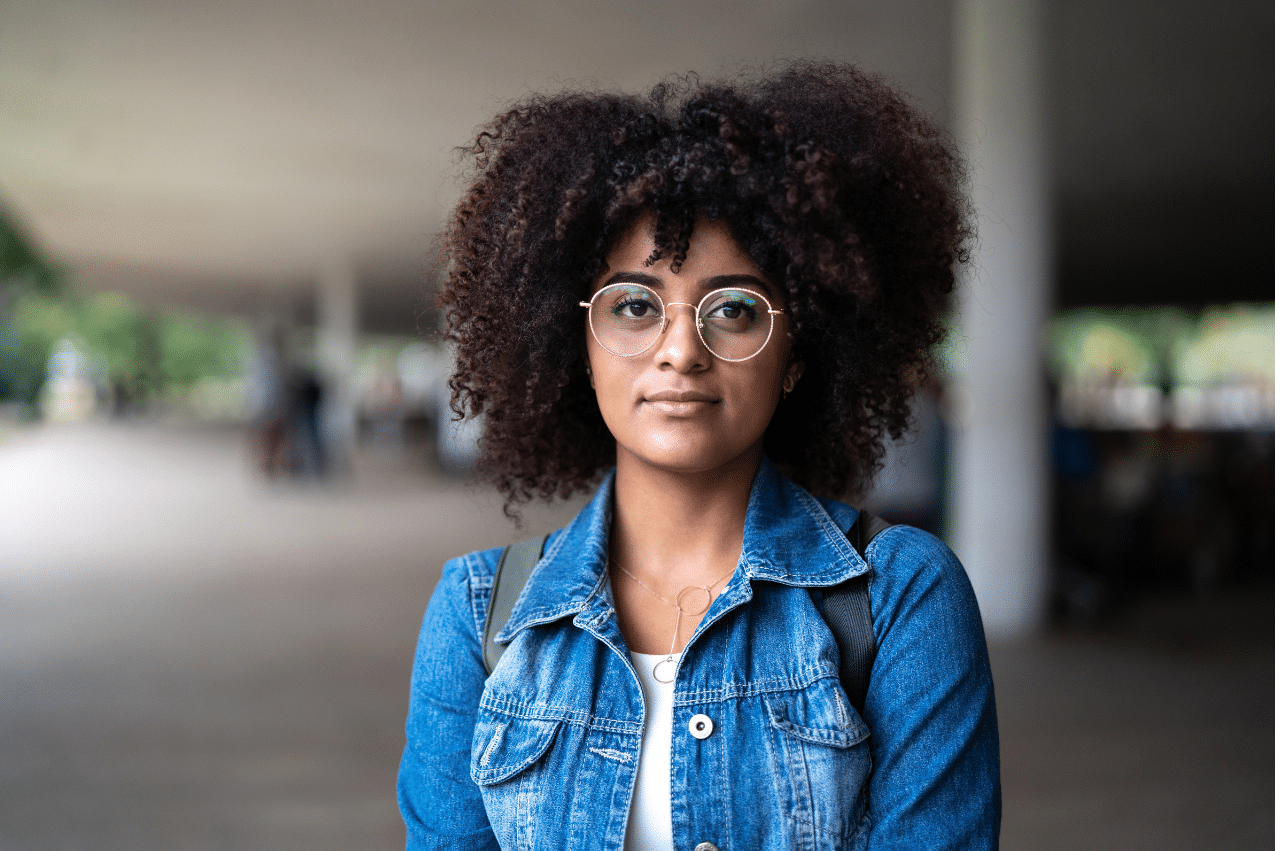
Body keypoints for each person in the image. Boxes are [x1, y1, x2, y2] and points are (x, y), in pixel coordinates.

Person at [399, 61, 1000, 851]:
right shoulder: (477, 615)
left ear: (797, 353)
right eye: (635, 305)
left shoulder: (901, 601)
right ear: (576, 345)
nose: (680, 350)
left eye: (737, 309)